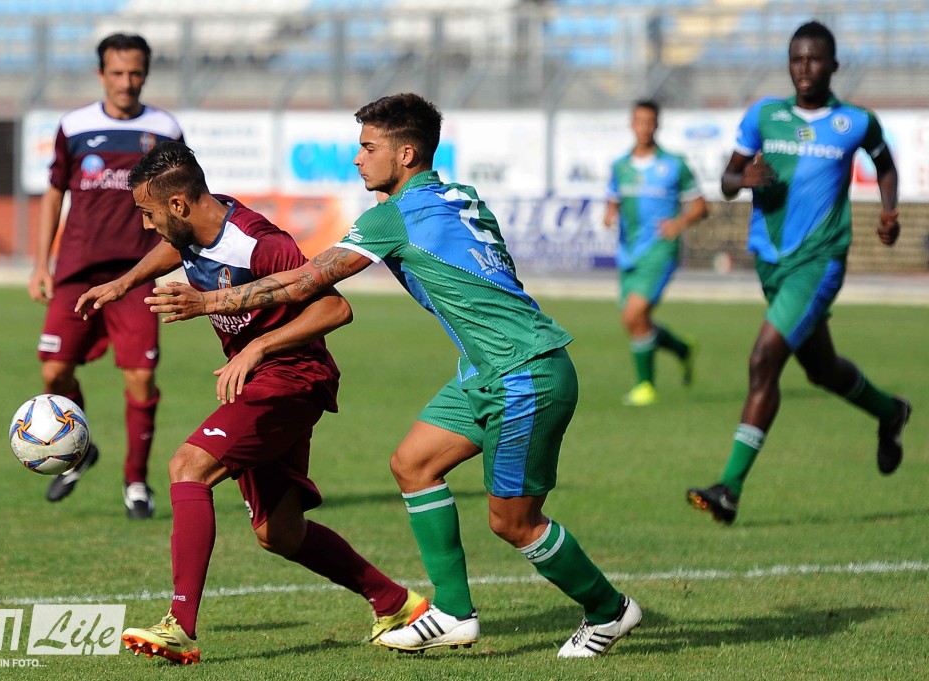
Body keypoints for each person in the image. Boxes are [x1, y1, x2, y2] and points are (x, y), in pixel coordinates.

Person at [131, 93, 642, 658]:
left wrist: (207, 303)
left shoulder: (392, 217)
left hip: (523, 372)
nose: (358, 159)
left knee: (514, 523)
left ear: (405, 154)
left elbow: (307, 283)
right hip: (486, 369)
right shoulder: (460, 197)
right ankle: (453, 613)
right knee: (413, 464)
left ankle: (608, 610)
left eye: (368, 147)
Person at [74, 141, 428, 665]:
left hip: (291, 378)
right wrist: (124, 282)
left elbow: (335, 309)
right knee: (278, 533)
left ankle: (179, 626)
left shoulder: (261, 244)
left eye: (148, 213)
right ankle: (397, 605)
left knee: (187, 467)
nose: (146, 225)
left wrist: (258, 347)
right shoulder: (195, 224)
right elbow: (179, 248)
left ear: (177, 205)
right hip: (259, 382)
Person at [686, 21, 911, 525]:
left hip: (820, 261)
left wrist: (889, 212)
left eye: (814, 59)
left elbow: (885, 164)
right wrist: (743, 177)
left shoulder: (855, 122)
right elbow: (726, 180)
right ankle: (890, 412)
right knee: (821, 369)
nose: (804, 68)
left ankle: (729, 489)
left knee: (763, 359)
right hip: (771, 262)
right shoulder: (765, 115)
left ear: (834, 65)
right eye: (796, 59)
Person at [27, 33, 184, 519]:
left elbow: (181, 200)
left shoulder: (164, 129)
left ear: (146, 74)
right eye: (117, 73)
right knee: (53, 372)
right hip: (77, 271)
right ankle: (80, 448)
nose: (126, 82)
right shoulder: (74, 126)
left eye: (135, 73)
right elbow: (54, 192)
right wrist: (41, 264)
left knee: (140, 376)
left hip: (135, 274)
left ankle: (135, 481)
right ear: (101, 75)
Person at [603, 100, 708, 406]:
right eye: (639, 121)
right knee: (637, 322)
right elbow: (612, 201)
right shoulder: (620, 166)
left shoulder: (675, 164)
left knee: (633, 315)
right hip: (629, 252)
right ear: (631, 124)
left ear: (657, 125)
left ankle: (646, 386)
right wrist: (609, 214)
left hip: (661, 249)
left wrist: (679, 223)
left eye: (650, 122)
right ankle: (682, 349)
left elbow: (701, 206)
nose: (644, 127)